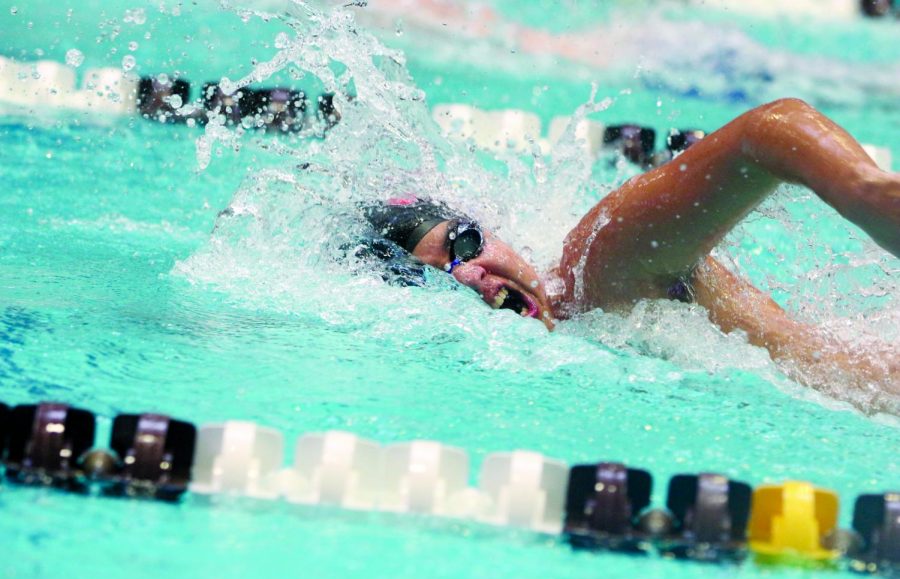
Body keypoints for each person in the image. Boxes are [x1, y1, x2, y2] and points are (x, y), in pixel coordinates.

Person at [364, 98, 900, 398]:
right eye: (434, 278)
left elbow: (766, 132)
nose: (468, 276)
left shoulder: (597, 265)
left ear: (494, 229)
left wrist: (864, 192)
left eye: (465, 243)